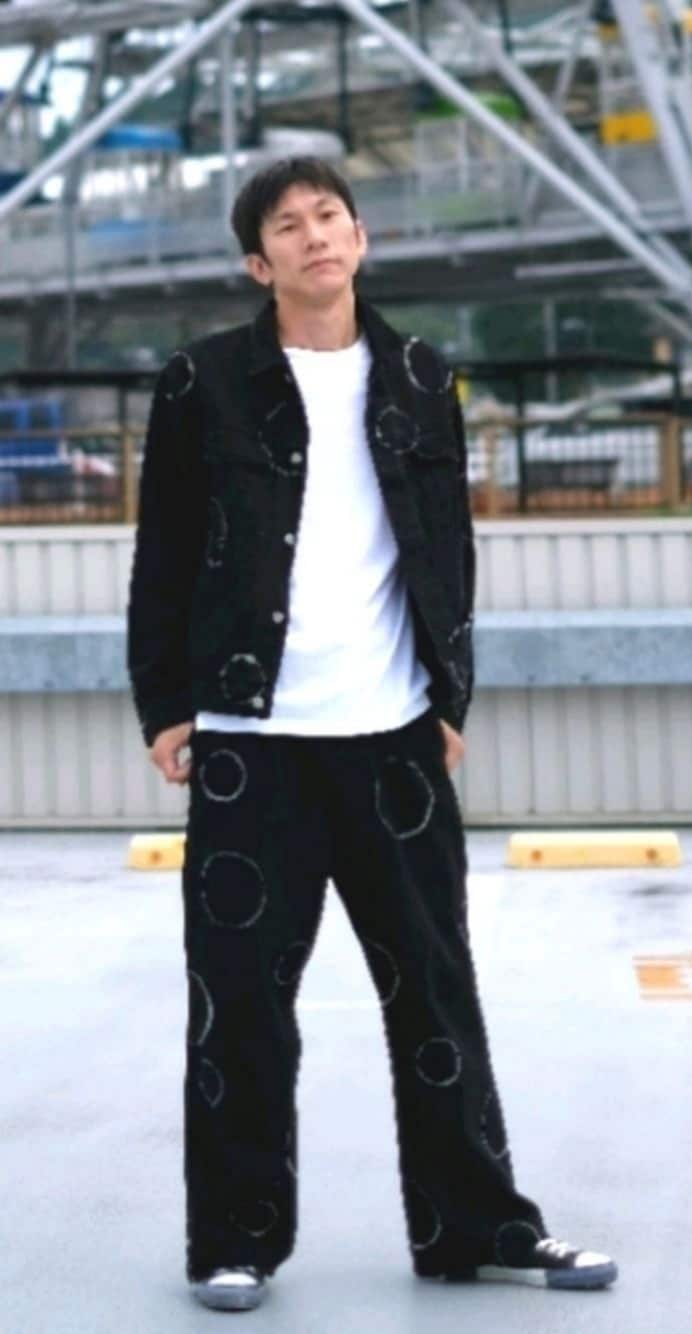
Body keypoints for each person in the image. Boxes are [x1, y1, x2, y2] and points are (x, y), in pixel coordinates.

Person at [126, 155, 618, 1313]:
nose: (314, 235)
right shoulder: (203, 380)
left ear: (361, 236)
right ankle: (233, 1240)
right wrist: (165, 702)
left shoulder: (419, 374)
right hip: (251, 738)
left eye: (329, 215)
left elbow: (448, 547)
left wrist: (449, 697)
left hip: (393, 735)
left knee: (436, 993)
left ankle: (478, 1227)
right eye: (287, 225)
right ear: (258, 262)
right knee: (240, 1004)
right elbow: (163, 549)